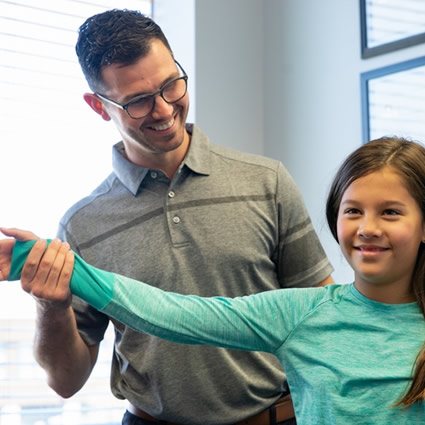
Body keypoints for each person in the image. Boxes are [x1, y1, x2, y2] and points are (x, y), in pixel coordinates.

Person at [1, 8, 333, 425]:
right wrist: (50, 307)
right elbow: (65, 382)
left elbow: (324, 322)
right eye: (138, 101)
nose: (163, 110)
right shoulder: (82, 224)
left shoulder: (268, 182)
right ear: (98, 106)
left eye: (171, 85)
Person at [1, 136, 425, 425]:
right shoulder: (301, 315)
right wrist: (40, 261)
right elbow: (172, 313)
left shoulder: (266, 181)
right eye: (353, 211)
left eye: (390, 212)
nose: (367, 227)